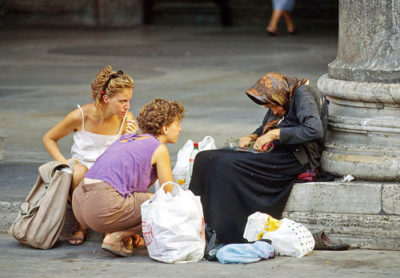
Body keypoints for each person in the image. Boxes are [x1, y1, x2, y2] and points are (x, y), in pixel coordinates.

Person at [189, 72, 324, 244]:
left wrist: (275, 134)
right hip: (277, 150)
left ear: (279, 95)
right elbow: (265, 126)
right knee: (204, 158)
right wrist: (252, 137)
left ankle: (225, 231)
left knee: (225, 164)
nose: (274, 111)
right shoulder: (284, 97)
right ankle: (196, 222)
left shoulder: (303, 94)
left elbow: (314, 129)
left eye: (273, 106)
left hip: (295, 157)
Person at [71, 98, 185, 257]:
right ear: (165, 128)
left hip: (80, 205)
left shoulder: (126, 138)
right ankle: (117, 236)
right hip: (102, 206)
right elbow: (168, 192)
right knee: (166, 204)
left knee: (145, 200)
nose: (179, 129)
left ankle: (123, 233)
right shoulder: (159, 148)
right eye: (177, 124)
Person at [42, 66, 137, 245]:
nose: (128, 106)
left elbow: (127, 156)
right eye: (123, 101)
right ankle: (81, 225)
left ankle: (110, 225)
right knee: (78, 171)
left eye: (129, 100)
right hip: (82, 170)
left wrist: (130, 138)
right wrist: (64, 163)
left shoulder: (127, 118)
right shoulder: (81, 115)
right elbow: (49, 138)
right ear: (106, 98)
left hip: (109, 170)